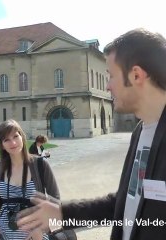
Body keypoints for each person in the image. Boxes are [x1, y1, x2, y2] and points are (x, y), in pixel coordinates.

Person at [16, 28, 166, 240]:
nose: (107, 86)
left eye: (111, 76)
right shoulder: (140, 131)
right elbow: (123, 203)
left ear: (136, 75)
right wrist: (63, 214)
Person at [0, 119, 60, 240]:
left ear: (22, 137)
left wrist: (42, 229)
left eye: (15, 136)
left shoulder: (40, 165)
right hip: (4, 233)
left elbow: (55, 200)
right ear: (2, 145)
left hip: (35, 235)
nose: (13, 142)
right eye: (6, 140)